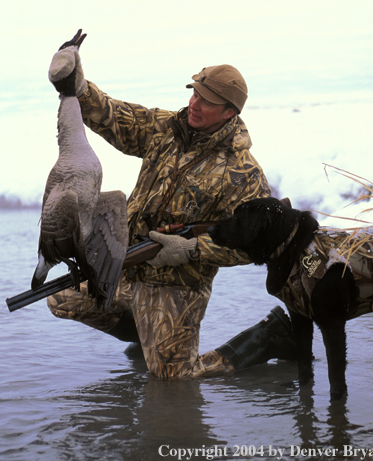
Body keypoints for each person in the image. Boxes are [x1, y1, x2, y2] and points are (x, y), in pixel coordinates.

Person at [47, 43, 297, 378]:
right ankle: (145, 332)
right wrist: (79, 89)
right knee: (61, 297)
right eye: (195, 94)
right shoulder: (166, 128)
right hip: (127, 265)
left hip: (177, 285)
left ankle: (268, 337)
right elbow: (116, 117)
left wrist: (191, 249)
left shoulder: (243, 173)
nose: (194, 104)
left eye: (207, 101)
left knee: (174, 379)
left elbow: (258, 244)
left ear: (229, 113)